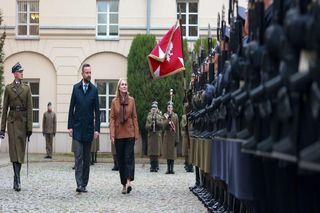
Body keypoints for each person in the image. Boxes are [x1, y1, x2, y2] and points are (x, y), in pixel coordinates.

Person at [0, 62, 33, 192]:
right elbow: (4, 110)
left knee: (20, 150)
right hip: (12, 122)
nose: (22, 73)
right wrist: (2, 129)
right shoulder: (8, 89)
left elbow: (30, 108)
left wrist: (29, 127)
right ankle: (17, 178)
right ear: (14, 73)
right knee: (14, 150)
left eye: (22, 71)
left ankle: (17, 176)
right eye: (19, 71)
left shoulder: (27, 88)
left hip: (23, 122)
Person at [68, 63, 100, 193]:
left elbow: (98, 112)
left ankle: (84, 184)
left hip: (88, 130)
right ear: (82, 74)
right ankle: (79, 184)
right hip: (77, 129)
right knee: (78, 157)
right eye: (87, 72)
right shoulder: (76, 88)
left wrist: (97, 129)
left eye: (90, 72)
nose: (89, 75)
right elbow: (71, 109)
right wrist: (70, 126)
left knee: (86, 159)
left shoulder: (94, 90)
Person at [109, 79, 139, 194]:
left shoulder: (132, 100)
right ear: (119, 87)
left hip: (130, 133)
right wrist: (112, 133)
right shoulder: (114, 102)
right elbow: (111, 118)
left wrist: (136, 133)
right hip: (118, 134)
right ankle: (123, 184)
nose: (124, 86)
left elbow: (135, 117)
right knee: (121, 159)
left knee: (128, 157)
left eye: (126, 84)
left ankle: (128, 182)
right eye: (122, 84)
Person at [145, 101, 163, 172]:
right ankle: (152, 166)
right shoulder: (149, 117)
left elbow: (162, 125)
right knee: (151, 152)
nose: (154, 110)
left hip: (157, 135)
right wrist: (151, 125)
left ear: (157, 109)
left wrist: (157, 122)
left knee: (156, 152)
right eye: (153, 109)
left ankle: (156, 165)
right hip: (151, 135)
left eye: (155, 108)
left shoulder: (159, 116)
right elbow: (146, 126)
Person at [162, 101, 179, 174]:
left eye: (171, 107)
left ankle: (172, 168)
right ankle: (168, 168)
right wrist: (167, 120)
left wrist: (177, 138)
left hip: (173, 136)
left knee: (172, 154)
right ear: (167, 108)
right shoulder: (165, 115)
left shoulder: (175, 116)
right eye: (168, 107)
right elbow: (163, 126)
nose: (170, 108)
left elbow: (177, 128)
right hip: (167, 137)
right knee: (168, 154)